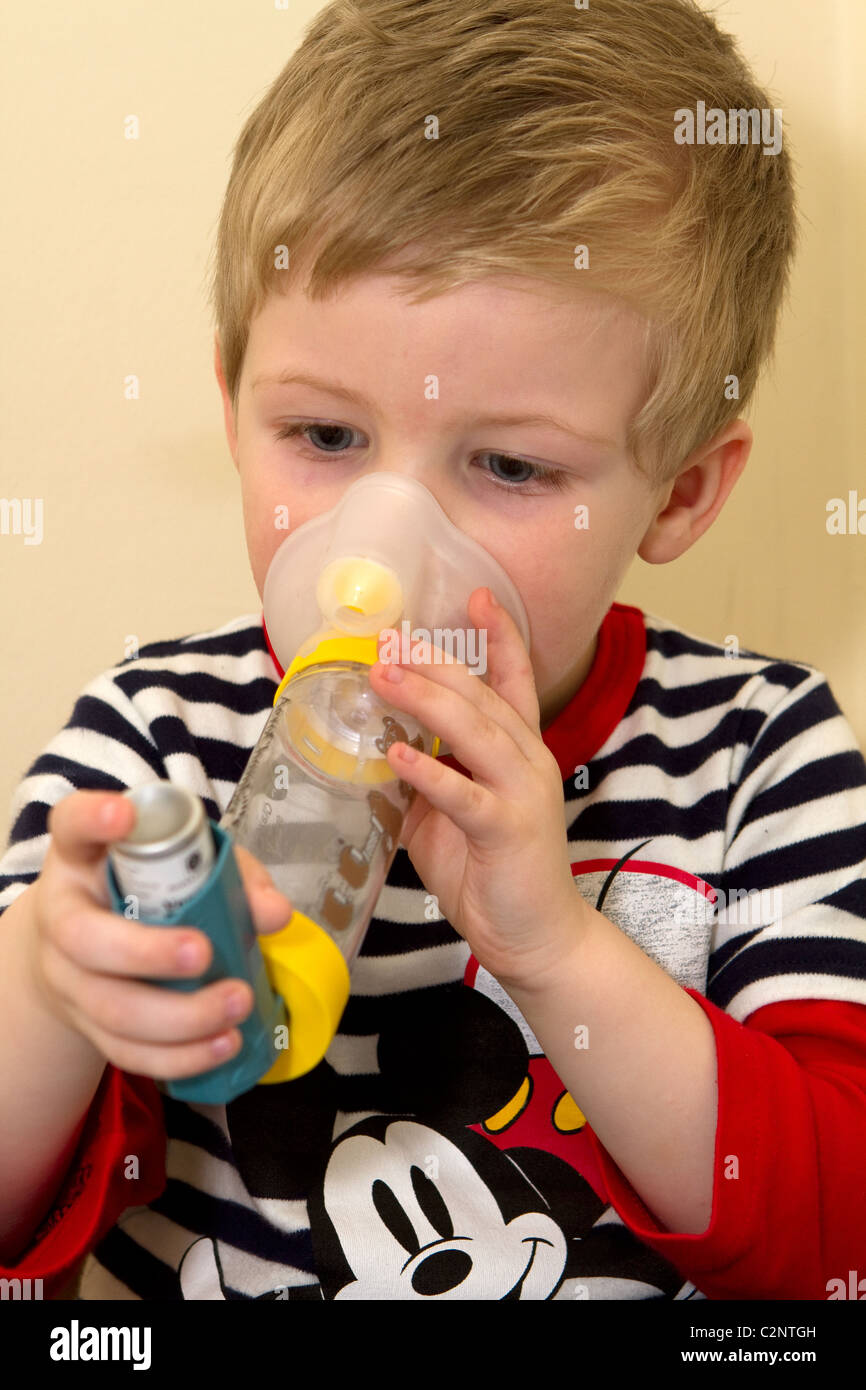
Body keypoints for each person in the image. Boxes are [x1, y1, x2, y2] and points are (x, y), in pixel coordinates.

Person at [2, 0, 865, 1301]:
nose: (378, 555)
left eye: (509, 465)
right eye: (325, 438)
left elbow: (834, 1241)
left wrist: (557, 948)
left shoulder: (756, 758)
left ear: (680, 493)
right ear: (233, 397)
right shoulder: (154, 742)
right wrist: (50, 988)